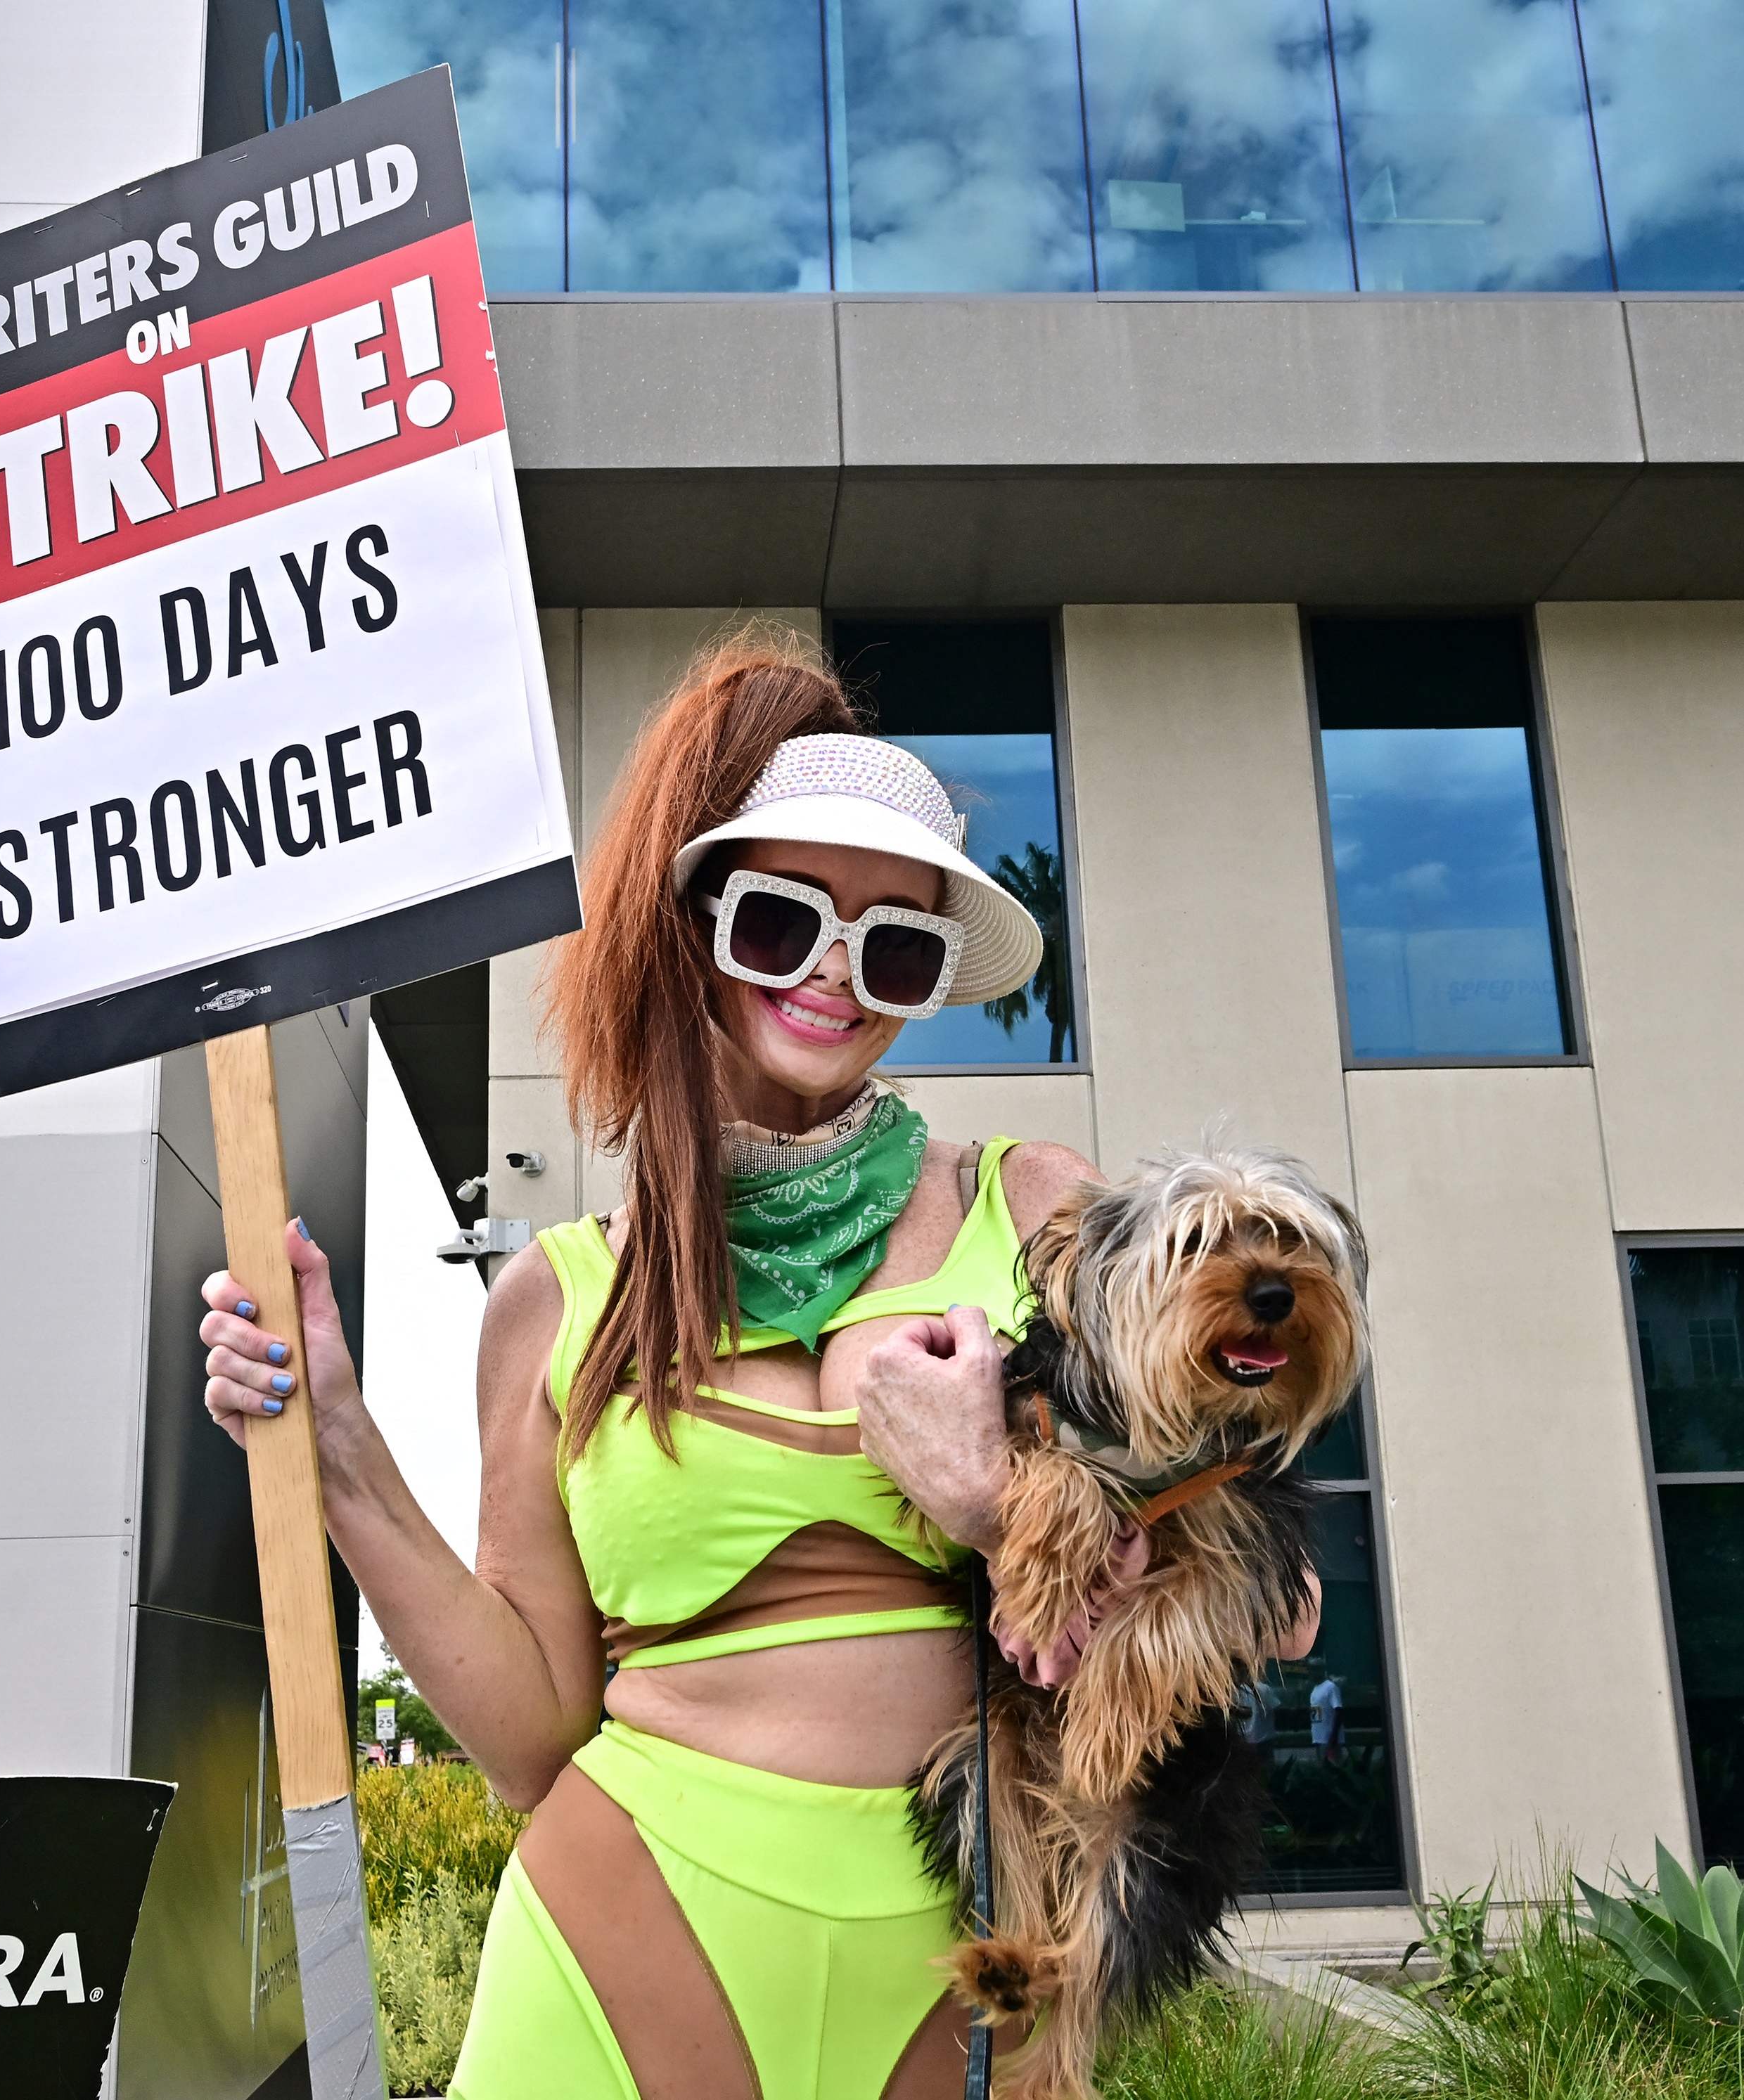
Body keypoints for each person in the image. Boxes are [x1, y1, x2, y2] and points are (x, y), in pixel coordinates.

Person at [198, 631, 1316, 2099]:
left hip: (963, 1966)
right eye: (784, 922)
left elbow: (1275, 1604)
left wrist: (995, 1498)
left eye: (896, 944)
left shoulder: (1036, 1208)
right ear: (698, 923)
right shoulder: (557, 1298)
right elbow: (535, 1730)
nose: (836, 977)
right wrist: (339, 1450)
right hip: (623, 1929)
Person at [1307, 1671, 1344, 1763]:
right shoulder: (1315, 1689)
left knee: (1333, 1768)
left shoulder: (1330, 1687)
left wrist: (1333, 1737)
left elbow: (1338, 1711)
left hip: (1330, 1739)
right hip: (1318, 1739)